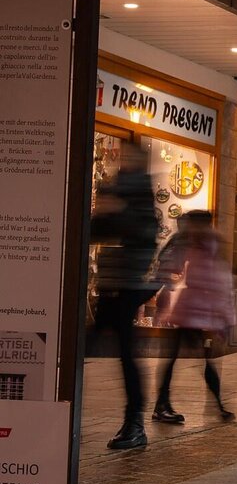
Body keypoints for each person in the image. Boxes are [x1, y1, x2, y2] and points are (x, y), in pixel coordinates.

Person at [90, 140, 159, 450]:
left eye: (129, 155)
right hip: (112, 283)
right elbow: (97, 229)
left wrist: (114, 212)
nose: (122, 159)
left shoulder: (138, 193)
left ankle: (135, 423)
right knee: (94, 346)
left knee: (124, 353)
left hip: (127, 285)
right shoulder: (118, 189)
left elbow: (142, 237)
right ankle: (132, 421)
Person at [152, 211, 237, 423]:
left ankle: (166, 404)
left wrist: (226, 316)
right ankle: (215, 405)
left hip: (198, 311)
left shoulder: (205, 243)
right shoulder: (193, 242)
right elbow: (220, 280)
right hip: (193, 311)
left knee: (195, 359)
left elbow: (221, 281)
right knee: (189, 359)